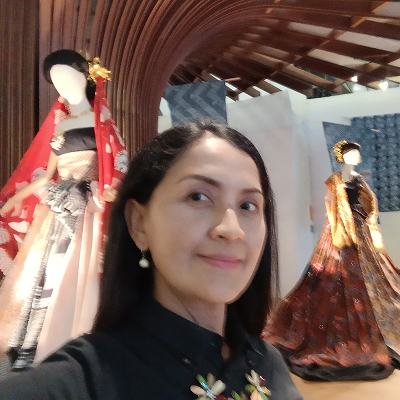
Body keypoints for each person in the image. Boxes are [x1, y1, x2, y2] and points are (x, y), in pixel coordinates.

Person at [0, 121, 303, 400]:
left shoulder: (267, 362)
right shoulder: (88, 378)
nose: (231, 229)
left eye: (248, 205)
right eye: (198, 197)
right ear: (139, 223)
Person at [0, 50, 127, 373]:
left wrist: (112, 191)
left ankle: (78, 337)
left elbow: (117, 163)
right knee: (46, 271)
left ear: (86, 76)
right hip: (58, 205)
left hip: (91, 205)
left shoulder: (102, 122)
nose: (62, 85)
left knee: (81, 272)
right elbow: (47, 174)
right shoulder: (62, 124)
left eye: (67, 76)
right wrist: (15, 198)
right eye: (56, 81)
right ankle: (33, 342)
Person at [263, 140, 400, 381]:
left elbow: (368, 201)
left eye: (356, 153)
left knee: (372, 275)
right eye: (351, 153)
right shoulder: (336, 179)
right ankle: (345, 328)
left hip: (360, 227)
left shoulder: (358, 178)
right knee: (337, 277)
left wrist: (367, 216)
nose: (355, 157)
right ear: (342, 157)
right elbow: (329, 201)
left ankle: (375, 323)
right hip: (340, 230)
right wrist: (335, 224)